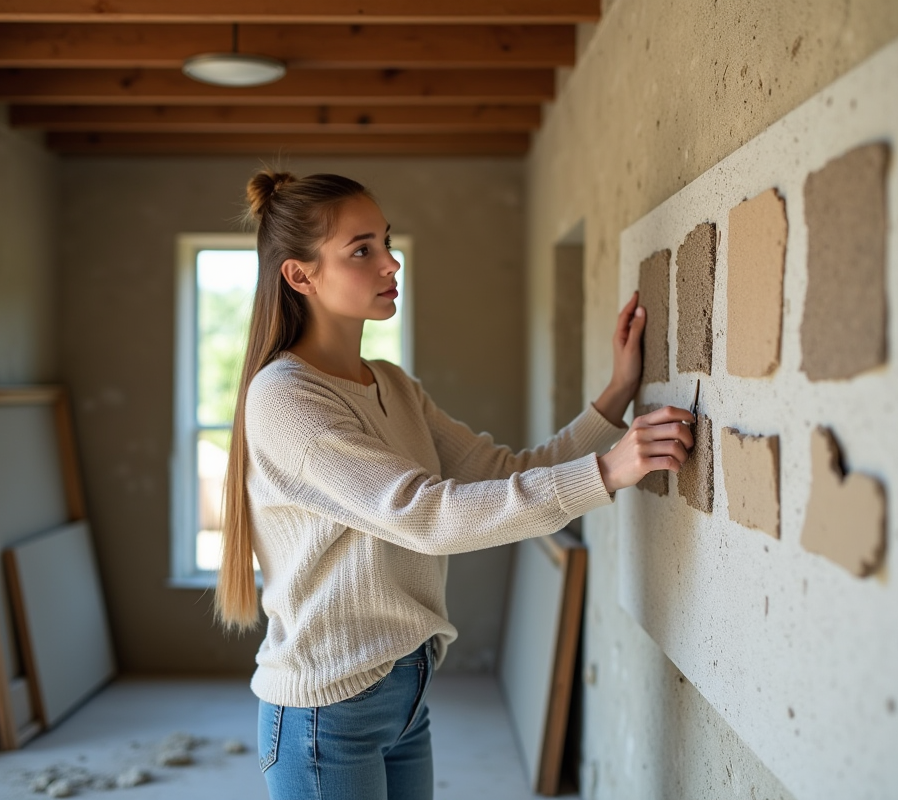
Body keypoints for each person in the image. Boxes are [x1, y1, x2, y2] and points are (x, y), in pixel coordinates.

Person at [217, 170, 695, 800]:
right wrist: (608, 472)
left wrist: (615, 398)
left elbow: (505, 472)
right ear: (300, 276)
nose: (391, 263)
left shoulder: (392, 385)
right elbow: (425, 515)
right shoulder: (284, 399)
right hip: (327, 715)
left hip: (406, 690)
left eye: (385, 241)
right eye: (361, 250)